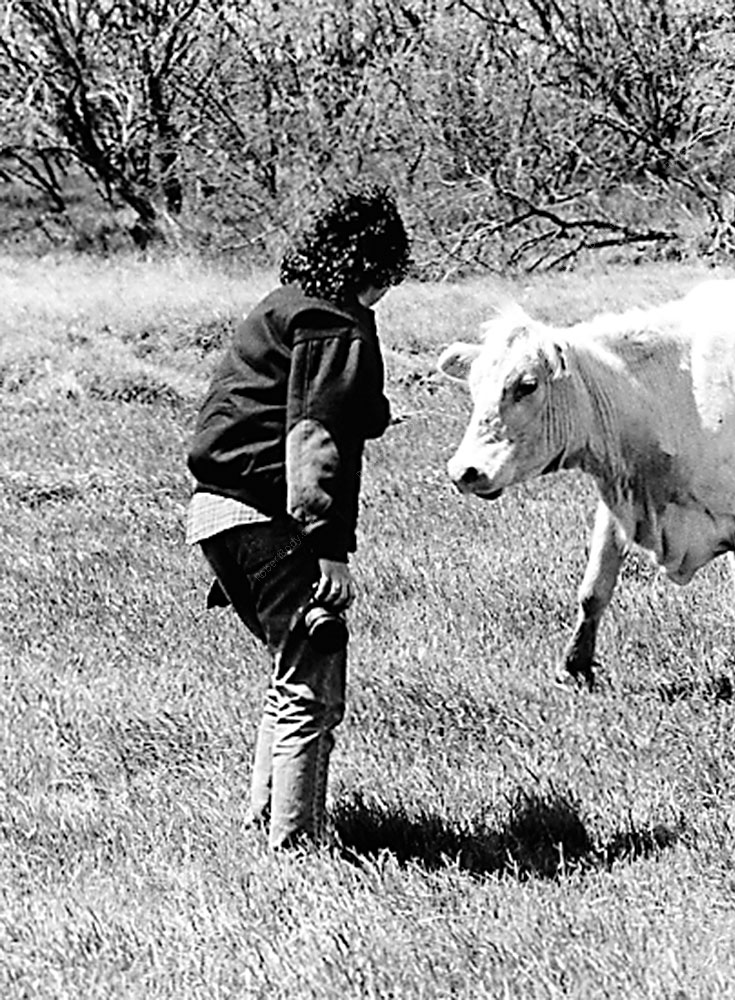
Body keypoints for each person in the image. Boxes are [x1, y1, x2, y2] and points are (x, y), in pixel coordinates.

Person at [185, 183, 410, 852]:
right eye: (391, 274)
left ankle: (264, 825)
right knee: (313, 692)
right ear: (374, 266)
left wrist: (369, 405)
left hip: (214, 514)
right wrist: (329, 548)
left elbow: (310, 403)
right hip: (270, 520)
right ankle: (299, 851)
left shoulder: (281, 308)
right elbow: (315, 436)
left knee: (291, 678)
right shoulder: (335, 322)